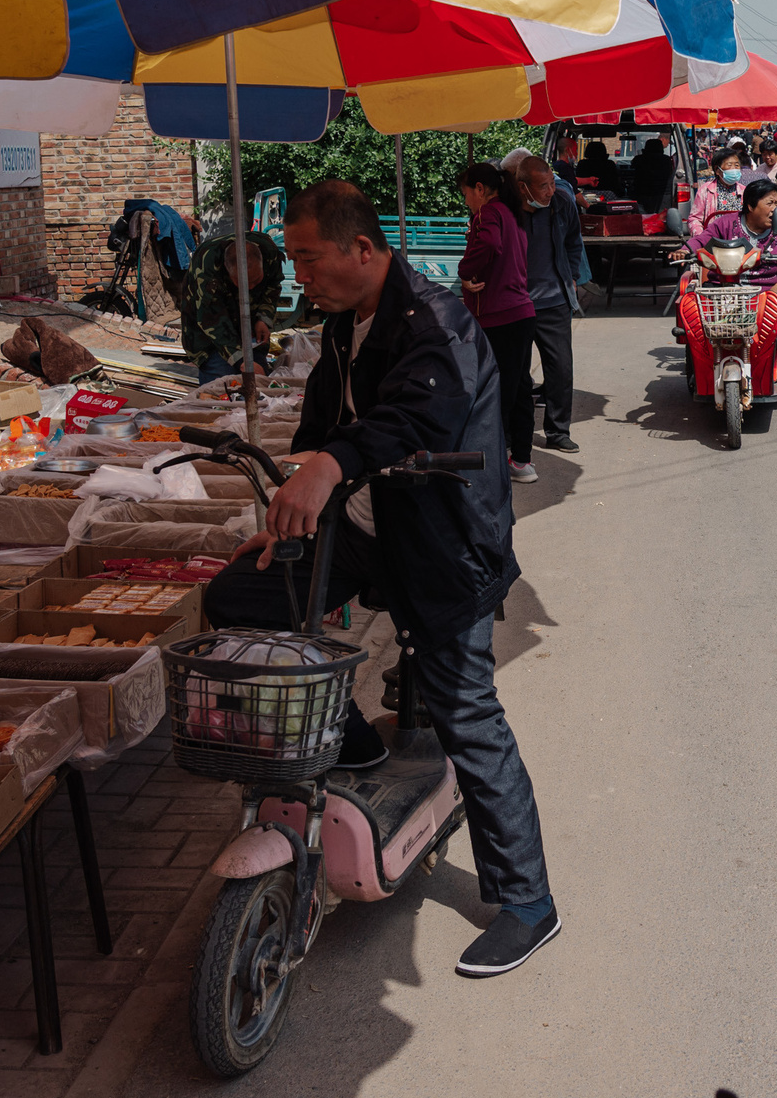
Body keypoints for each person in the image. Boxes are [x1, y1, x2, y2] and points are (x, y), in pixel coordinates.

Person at [200, 179, 558, 979]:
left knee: (466, 707)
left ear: (362, 248)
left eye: (308, 257)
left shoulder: (436, 320)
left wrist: (330, 465)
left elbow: (413, 421)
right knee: (241, 599)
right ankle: (350, 745)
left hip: (443, 543)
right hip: (366, 528)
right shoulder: (339, 328)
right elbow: (324, 427)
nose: (299, 275)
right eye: (291, 259)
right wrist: (296, 489)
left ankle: (529, 899)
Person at [682, 179, 777, 415]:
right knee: (694, 320)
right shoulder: (724, 224)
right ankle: (701, 372)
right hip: (722, 291)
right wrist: (685, 250)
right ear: (750, 205)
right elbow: (701, 240)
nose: (775, 209)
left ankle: (770, 369)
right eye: (770, 203)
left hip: (763, 294)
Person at [456, 160, 540, 482]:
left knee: (495, 391)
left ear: (479, 189)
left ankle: (491, 463)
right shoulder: (511, 214)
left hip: (500, 315)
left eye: (466, 194)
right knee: (518, 389)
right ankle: (521, 461)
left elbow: (489, 244)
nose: (466, 201)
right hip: (521, 313)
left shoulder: (489, 213)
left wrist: (465, 272)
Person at [503, 151, 582, 455]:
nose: (551, 190)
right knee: (516, 373)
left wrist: (573, 275)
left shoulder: (562, 204)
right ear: (522, 187)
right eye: (543, 186)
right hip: (516, 302)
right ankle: (510, 433)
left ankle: (558, 430)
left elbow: (574, 242)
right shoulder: (506, 212)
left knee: (560, 367)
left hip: (554, 300)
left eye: (551, 183)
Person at [181, 229, 282, 384]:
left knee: (261, 383)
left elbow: (273, 286)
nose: (251, 288)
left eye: (256, 280)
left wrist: (263, 317)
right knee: (223, 387)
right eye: (243, 284)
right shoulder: (207, 265)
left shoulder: (269, 252)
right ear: (228, 273)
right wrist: (242, 360)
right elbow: (212, 321)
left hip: (250, 331)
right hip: (211, 337)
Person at [689, 144, 746, 235]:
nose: (734, 169)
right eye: (729, 165)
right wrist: (702, 237)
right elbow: (695, 219)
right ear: (717, 170)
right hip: (712, 240)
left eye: (736, 165)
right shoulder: (706, 190)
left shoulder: (744, 191)